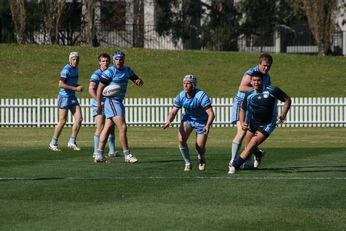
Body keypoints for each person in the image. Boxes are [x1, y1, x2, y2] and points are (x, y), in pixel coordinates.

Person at [228, 72, 291, 174]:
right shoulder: (249, 94)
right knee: (249, 146)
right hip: (253, 124)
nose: (256, 82)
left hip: (267, 124)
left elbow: (287, 99)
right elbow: (242, 109)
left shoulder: (272, 90)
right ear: (251, 82)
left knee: (252, 143)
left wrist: (283, 114)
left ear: (262, 81)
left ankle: (234, 165)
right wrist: (243, 122)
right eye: (254, 80)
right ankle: (258, 154)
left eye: (259, 80)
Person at [93, 50, 143, 163]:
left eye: (121, 59)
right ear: (114, 60)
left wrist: (139, 81)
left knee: (107, 128)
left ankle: (99, 154)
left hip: (118, 101)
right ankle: (127, 155)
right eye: (116, 59)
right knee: (123, 127)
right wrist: (98, 103)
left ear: (123, 60)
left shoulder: (127, 70)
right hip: (112, 101)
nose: (119, 61)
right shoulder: (110, 72)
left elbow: (135, 78)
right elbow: (100, 87)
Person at [162, 75, 215, 171]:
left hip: (202, 121)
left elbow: (211, 113)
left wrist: (207, 125)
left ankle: (201, 156)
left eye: (188, 83)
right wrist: (168, 120)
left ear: (193, 85)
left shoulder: (201, 96)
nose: (185, 85)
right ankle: (187, 162)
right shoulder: (181, 96)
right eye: (184, 83)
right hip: (188, 119)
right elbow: (173, 111)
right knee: (181, 139)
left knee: (199, 147)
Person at [230, 53, 273, 169]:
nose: (266, 68)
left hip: (254, 106)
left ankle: (252, 158)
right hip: (242, 104)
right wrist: (257, 89)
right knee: (242, 132)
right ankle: (233, 161)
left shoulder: (267, 76)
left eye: (269, 66)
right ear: (259, 64)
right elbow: (242, 87)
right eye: (264, 65)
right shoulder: (250, 73)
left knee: (251, 136)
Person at [49, 52, 84, 151]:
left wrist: (77, 86)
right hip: (64, 97)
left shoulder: (76, 69)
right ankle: (53, 142)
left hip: (72, 96)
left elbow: (71, 82)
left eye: (77, 59)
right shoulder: (66, 70)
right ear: (70, 60)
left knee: (79, 118)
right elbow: (61, 84)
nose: (75, 61)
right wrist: (75, 88)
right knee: (63, 121)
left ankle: (72, 142)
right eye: (73, 59)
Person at [88, 53, 118, 159]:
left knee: (111, 127)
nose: (105, 63)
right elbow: (91, 89)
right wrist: (98, 100)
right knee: (100, 127)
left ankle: (112, 151)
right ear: (99, 62)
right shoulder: (96, 74)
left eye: (106, 61)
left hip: (109, 103)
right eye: (103, 61)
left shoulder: (110, 73)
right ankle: (96, 152)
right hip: (99, 104)